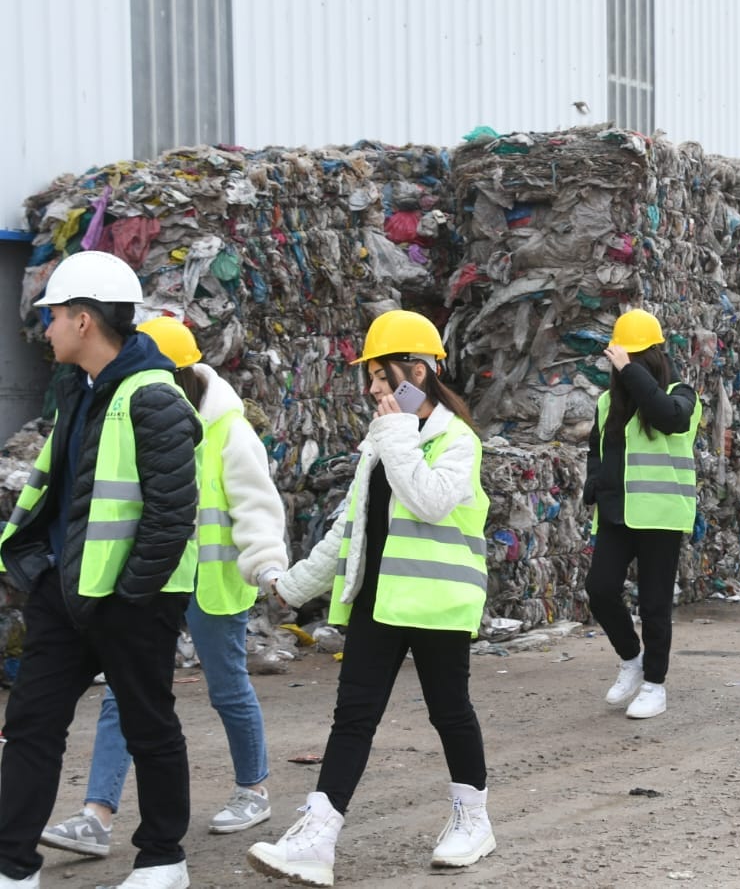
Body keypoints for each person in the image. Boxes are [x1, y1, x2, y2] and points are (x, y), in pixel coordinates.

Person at [248, 310, 494, 885]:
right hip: (378, 601)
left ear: (417, 371)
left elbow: (431, 500)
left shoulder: (457, 440)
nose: (372, 389)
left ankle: (472, 820)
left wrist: (396, 437)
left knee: (449, 712)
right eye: (372, 378)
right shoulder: (384, 440)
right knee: (352, 718)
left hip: (436, 602)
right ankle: (316, 838)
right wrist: (294, 587)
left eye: (381, 377)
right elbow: (349, 528)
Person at [40, 318, 288, 864]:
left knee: (227, 687)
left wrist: (268, 566)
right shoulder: (132, 414)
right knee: (121, 693)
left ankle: (254, 790)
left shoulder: (227, 427)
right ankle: (96, 815)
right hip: (155, 578)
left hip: (210, 581)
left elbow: (257, 504)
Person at [0, 250, 203, 889]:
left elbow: (172, 514)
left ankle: (164, 859)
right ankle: (12, 867)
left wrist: (129, 595)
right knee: (31, 726)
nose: (47, 328)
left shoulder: (154, 395)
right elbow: (55, 494)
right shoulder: (77, 392)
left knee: (150, 726)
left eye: (54, 314)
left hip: (131, 601)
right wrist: (35, 569)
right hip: (64, 592)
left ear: (84, 320)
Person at [583, 310, 700, 720]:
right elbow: (597, 451)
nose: (625, 366)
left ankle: (655, 684)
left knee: (654, 606)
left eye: (634, 358)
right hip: (616, 515)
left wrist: (630, 371)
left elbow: (668, 417)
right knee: (599, 590)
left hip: (662, 515)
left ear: (651, 359)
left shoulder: (682, 395)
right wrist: (593, 488)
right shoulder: (606, 402)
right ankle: (632, 659)